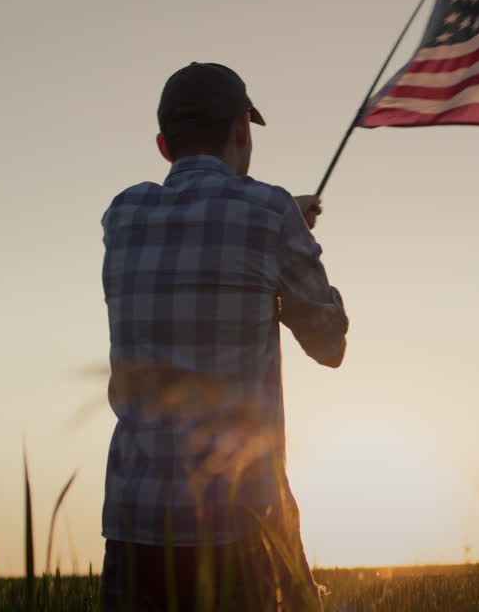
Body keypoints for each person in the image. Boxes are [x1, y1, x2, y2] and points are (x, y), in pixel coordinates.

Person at [99, 62, 348, 611]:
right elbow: (330, 345)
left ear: (165, 145)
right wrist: (294, 243)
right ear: (242, 129)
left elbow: (209, 243)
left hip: (135, 521)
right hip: (241, 524)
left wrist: (280, 237)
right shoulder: (271, 210)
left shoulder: (122, 215)